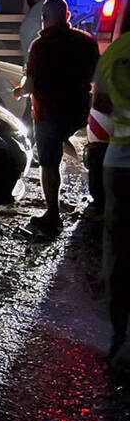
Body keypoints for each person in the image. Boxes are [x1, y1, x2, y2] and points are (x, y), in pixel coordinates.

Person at [15, 0, 100, 234]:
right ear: (68, 16)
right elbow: (96, 78)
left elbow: (29, 86)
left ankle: (53, 215)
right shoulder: (87, 41)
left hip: (48, 113)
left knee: (50, 165)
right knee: (87, 153)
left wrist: (19, 91)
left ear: (44, 19)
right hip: (80, 109)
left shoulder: (41, 45)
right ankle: (97, 203)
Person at [94, 30, 130, 359]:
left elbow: (100, 104)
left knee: (118, 248)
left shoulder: (116, 50)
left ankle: (119, 335)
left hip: (119, 162)